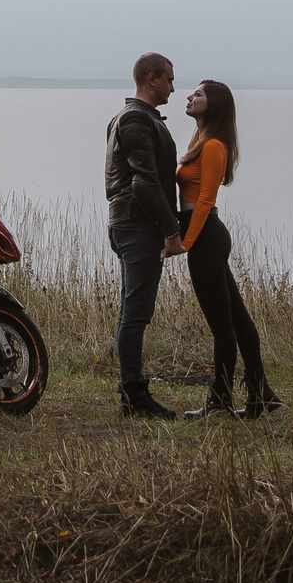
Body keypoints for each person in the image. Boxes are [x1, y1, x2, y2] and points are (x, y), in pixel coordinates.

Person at [170, 78, 279, 419]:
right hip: (204, 235)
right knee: (238, 319)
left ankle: (220, 401)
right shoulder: (200, 140)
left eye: (198, 94)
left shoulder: (214, 146)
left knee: (222, 326)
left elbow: (206, 200)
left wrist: (186, 242)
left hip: (206, 236)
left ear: (213, 104)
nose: (190, 96)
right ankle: (260, 394)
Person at [104, 52, 182, 418]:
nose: (172, 87)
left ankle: (131, 391)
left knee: (132, 311)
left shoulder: (130, 117)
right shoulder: (135, 118)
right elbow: (144, 182)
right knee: (136, 314)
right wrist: (171, 230)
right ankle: (134, 396)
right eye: (169, 79)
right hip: (138, 225)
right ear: (152, 79)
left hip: (129, 223)